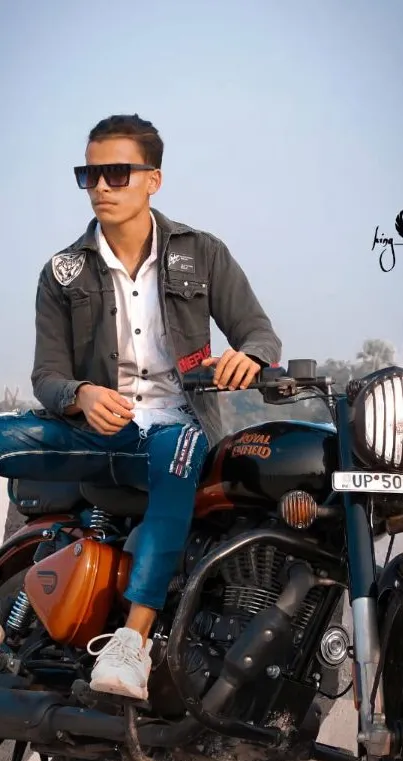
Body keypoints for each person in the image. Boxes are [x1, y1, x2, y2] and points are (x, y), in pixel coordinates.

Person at [0, 114, 281, 700]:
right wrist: (78, 394)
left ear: (152, 179)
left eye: (115, 173)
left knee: (179, 449)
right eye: (89, 174)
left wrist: (249, 359)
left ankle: (132, 643)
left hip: (175, 430)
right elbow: (46, 375)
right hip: (95, 432)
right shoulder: (62, 271)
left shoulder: (203, 254)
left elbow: (259, 335)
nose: (101, 186)